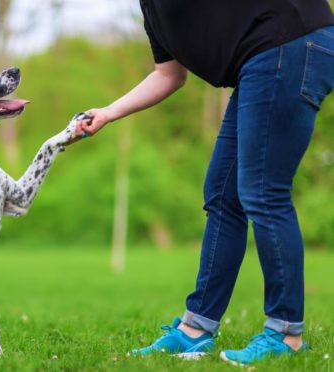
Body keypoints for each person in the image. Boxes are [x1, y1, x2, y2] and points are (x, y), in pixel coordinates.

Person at [74, 0, 334, 366]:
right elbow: (169, 75)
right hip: (262, 59)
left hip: (288, 41)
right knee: (223, 196)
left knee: (263, 192)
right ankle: (195, 330)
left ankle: (286, 333)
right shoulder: (152, 10)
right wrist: (107, 113)